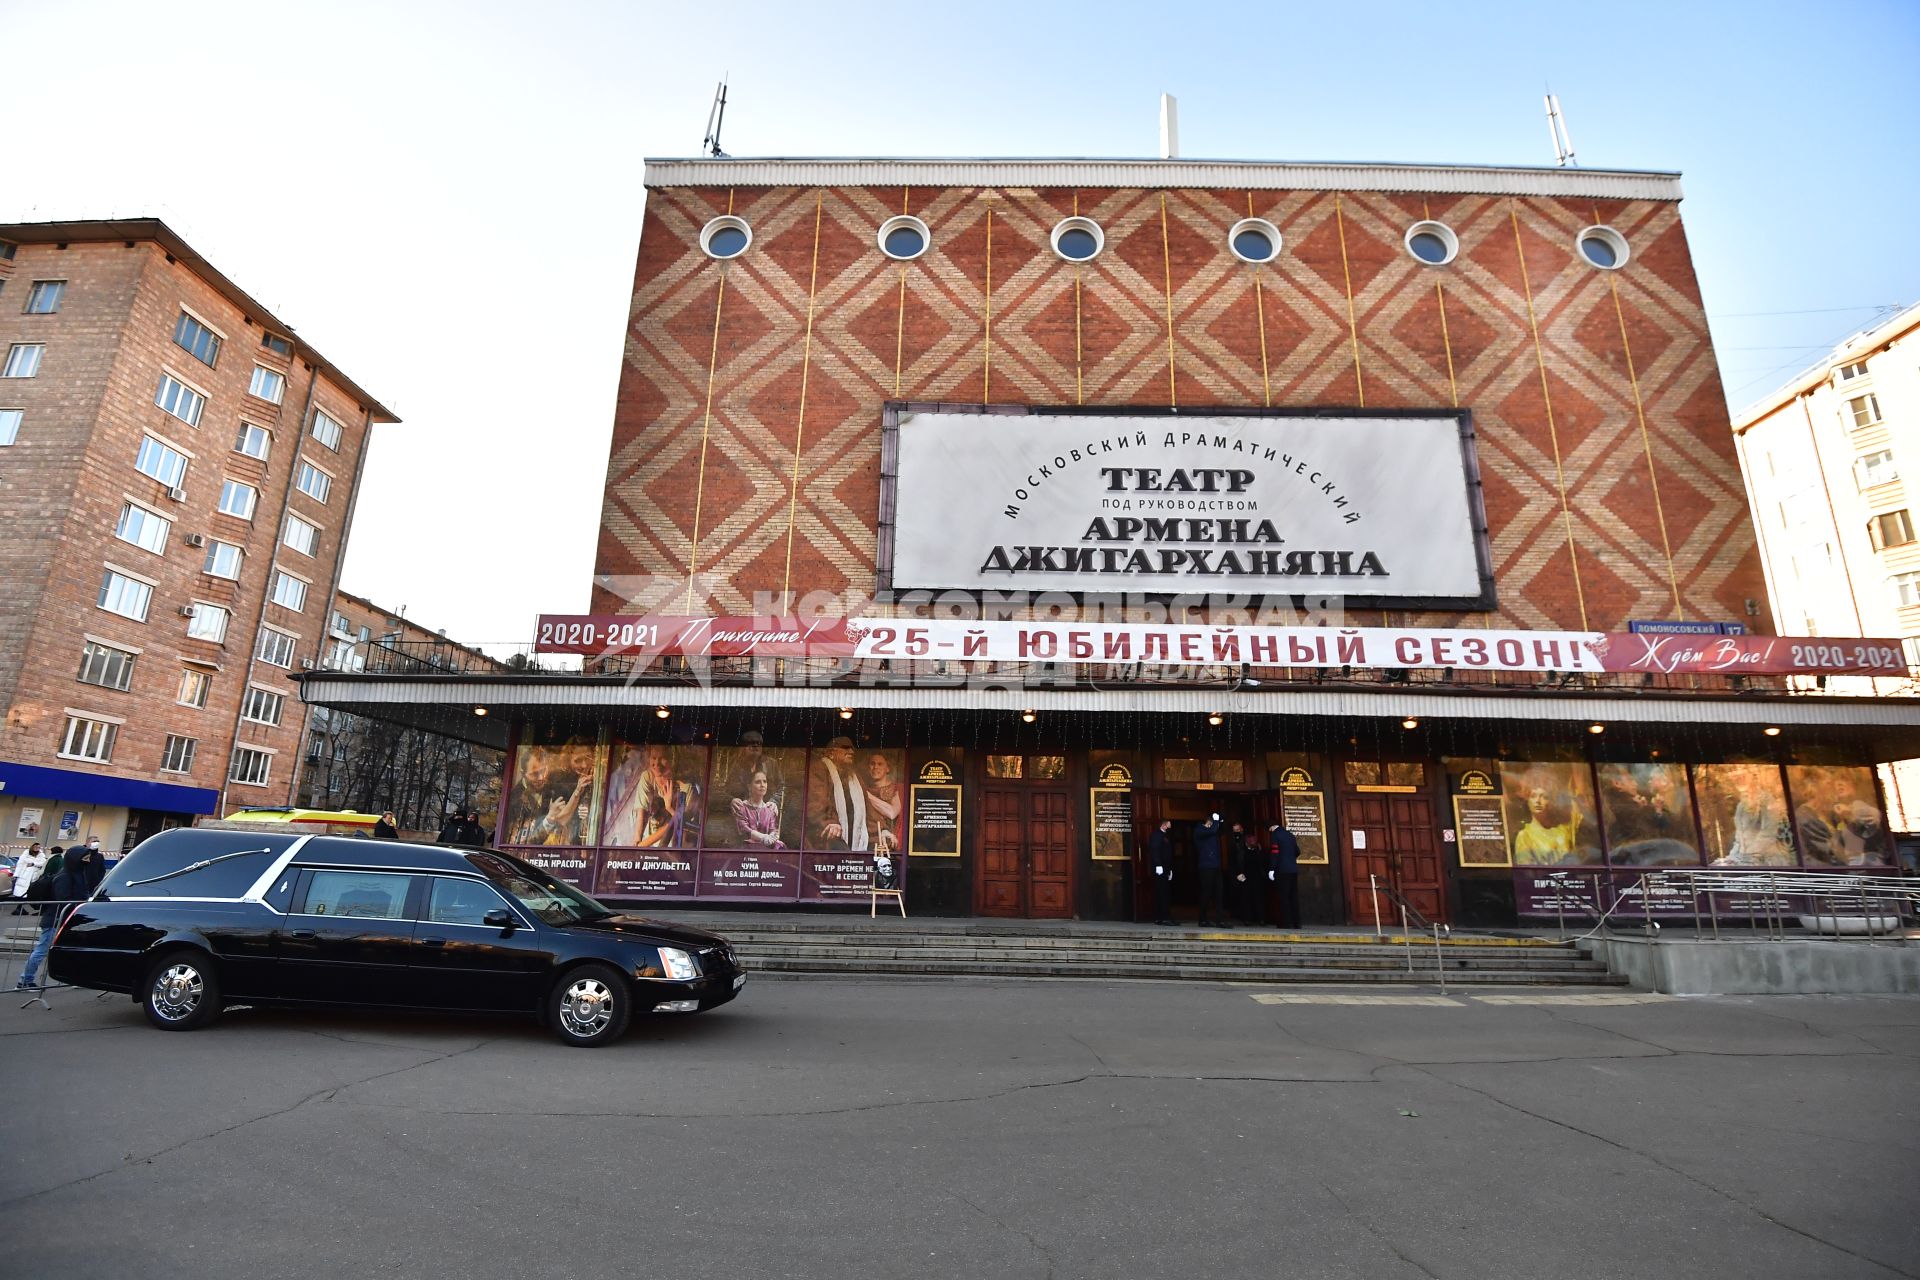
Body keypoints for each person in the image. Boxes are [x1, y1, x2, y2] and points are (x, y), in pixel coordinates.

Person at [16, 846, 75, 991]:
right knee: (42, 950)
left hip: (61, 919)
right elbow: (62, 899)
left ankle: (73, 977)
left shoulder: (71, 874)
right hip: (54, 919)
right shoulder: (64, 876)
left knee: (61, 949)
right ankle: (25, 980)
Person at [807, 737, 869, 851]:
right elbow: (815, 801)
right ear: (831, 752)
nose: (851, 752)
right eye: (845, 748)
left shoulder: (855, 778)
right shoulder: (819, 769)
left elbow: (868, 810)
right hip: (825, 836)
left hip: (852, 840)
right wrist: (829, 822)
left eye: (852, 749)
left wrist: (883, 831)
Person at [1512, 781, 1581, 865]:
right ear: (1527, 801)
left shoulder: (1564, 830)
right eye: (1533, 796)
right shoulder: (1524, 836)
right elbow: (1527, 871)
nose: (1538, 801)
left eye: (1544, 797)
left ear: (1551, 801)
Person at [729, 768, 785, 848]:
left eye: (764, 782)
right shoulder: (742, 807)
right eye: (758, 782)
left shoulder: (769, 809)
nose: (762, 785)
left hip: (766, 851)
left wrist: (772, 837)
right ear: (749, 786)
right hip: (746, 850)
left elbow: (773, 830)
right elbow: (744, 830)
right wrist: (764, 837)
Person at [863, 752, 903, 853]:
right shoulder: (865, 789)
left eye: (880, 764)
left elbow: (892, 813)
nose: (875, 767)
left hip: (894, 844)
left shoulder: (897, 788)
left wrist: (865, 794)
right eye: (872, 764)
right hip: (871, 843)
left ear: (888, 768)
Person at [1269, 822, 1303, 929]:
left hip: (1282, 870)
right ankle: (1296, 922)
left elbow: (1275, 853)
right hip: (1293, 869)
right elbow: (1297, 851)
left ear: (1272, 827)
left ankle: (1286, 922)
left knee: (1284, 897)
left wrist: (1272, 868)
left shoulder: (1275, 835)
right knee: (1293, 896)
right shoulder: (1290, 835)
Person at [1194, 814, 1224, 926]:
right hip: (1206, 866)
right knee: (1206, 893)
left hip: (1216, 865)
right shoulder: (1199, 830)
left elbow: (1220, 830)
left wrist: (1220, 821)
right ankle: (1202, 919)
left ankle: (1219, 920)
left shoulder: (1213, 829)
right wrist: (1216, 822)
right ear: (1209, 822)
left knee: (1219, 893)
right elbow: (1211, 831)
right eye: (1213, 823)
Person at [1239, 822, 1271, 925]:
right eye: (1251, 841)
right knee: (1247, 899)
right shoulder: (1243, 851)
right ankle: (1248, 919)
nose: (1252, 843)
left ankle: (1261, 919)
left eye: (1254, 841)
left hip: (1258, 878)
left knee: (1259, 899)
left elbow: (1264, 863)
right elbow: (1239, 863)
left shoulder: (1259, 851)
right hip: (1246, 878)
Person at [1148, 819, 1175, 926]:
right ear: (1164, 824)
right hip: (1160, 868)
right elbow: (1154, 850)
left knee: (1164, 892)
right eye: (1169, 823)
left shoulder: (1165, 835)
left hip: (1165, 867)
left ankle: (1162, 917)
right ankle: (1162, 917)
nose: (1170, 825)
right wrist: (1158, 864)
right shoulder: (1156, 835)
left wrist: (1169, 869)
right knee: (1162, 892)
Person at [10, 843, 46, 907]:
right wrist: (16, 875)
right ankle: (19, 907)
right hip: (24, 875)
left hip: (34, 876)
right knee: (21, 892)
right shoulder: (26, 854)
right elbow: (19, 865)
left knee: (30, 892)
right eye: (35, 847)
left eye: (38, 847)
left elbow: (42, 863)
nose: (37, 848)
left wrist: (33, 864)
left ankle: (20, 908)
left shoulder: (41, 855)